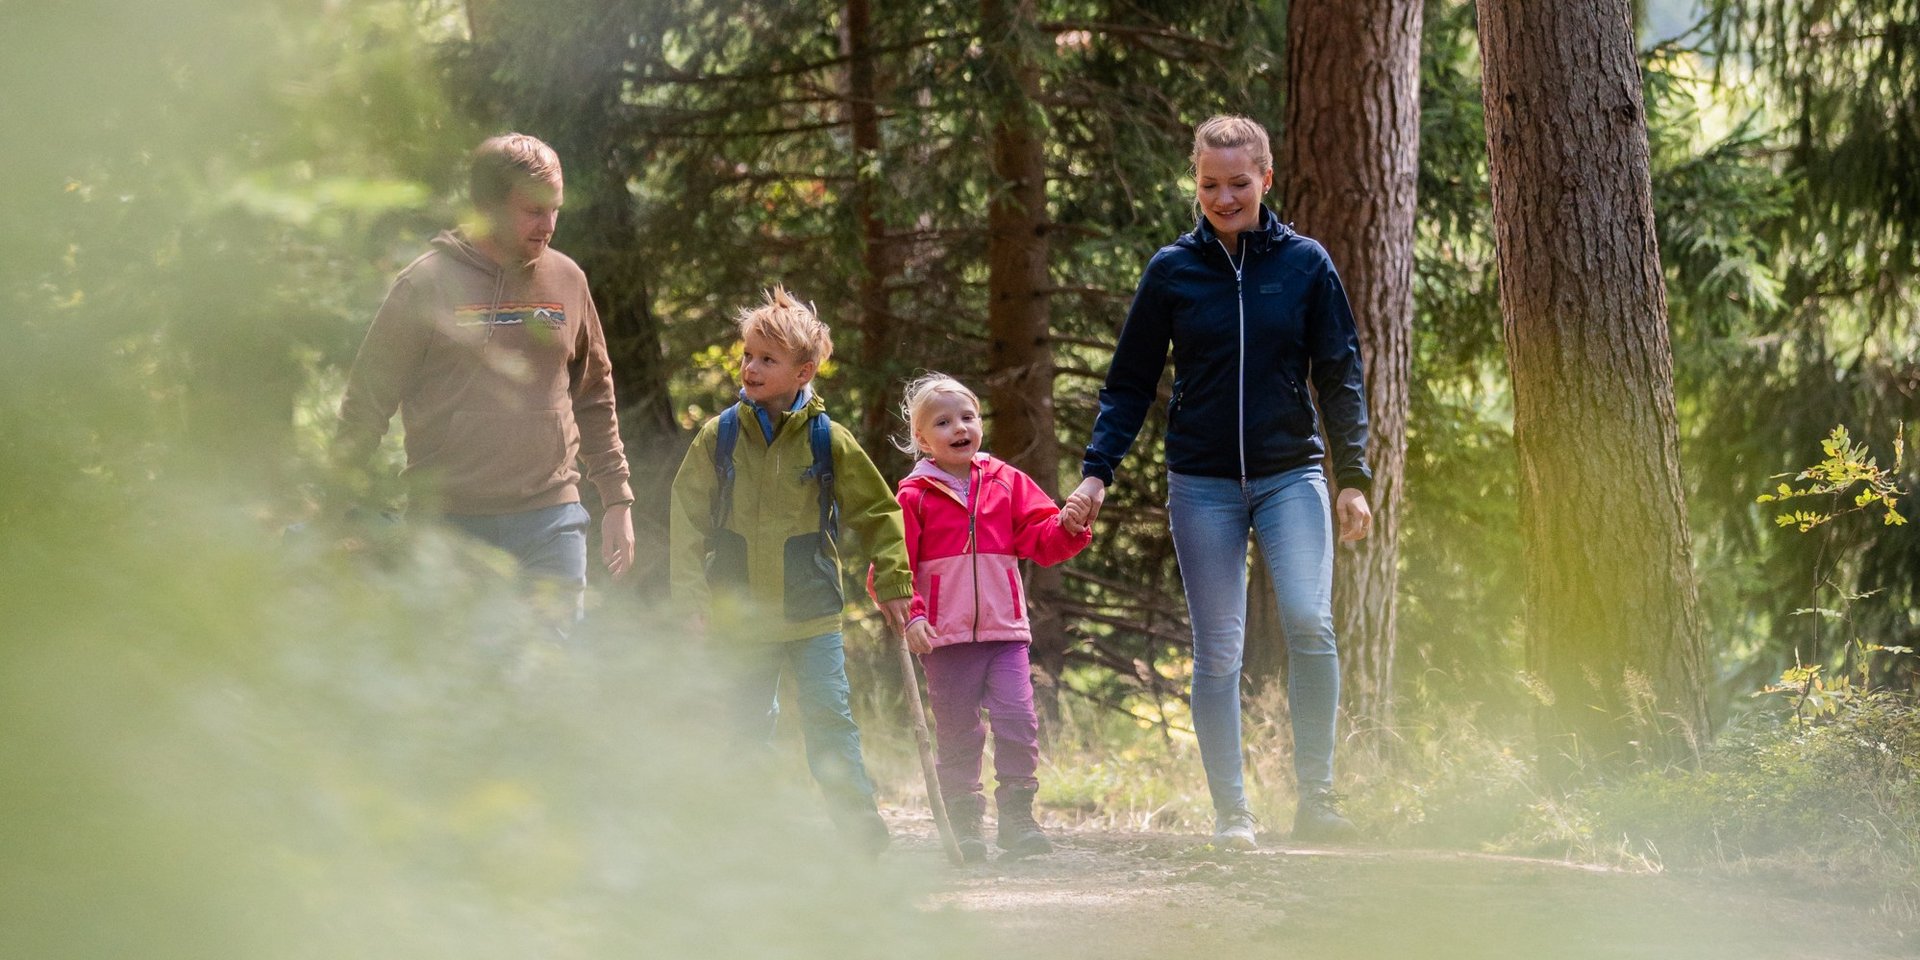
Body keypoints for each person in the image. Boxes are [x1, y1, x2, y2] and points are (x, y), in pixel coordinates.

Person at [1066, 115, 1374, 848]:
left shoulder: (1306, 264)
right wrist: (1096, 474)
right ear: (1195, 182)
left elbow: (1340, 375)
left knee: (1309, 620)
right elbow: (1129, 384)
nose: (1224, 197)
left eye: (1239, 183)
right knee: (1219, 650)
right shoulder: (1173, 271)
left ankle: (1318, 799)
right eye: (1210, 184)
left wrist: (1353, 476)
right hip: (1201, 483)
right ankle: (1233, 813)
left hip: (1290, 474)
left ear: (1267, 179)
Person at [334, 133, 635, 628]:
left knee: (551, 681)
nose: (549, 225)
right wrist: (337, 499)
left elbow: (594, 395)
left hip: (551, 522)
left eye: (555, 208)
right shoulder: (425, 285)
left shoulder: (568, 280)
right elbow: (368, 401)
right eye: (533, 211)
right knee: (461, 688)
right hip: (450, 527)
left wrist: (617, 498)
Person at [668, 287, 914, 855]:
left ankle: (861, 837)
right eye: (748, 355)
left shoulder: (830, 440)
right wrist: (691, 600)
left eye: (766, 359)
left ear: (803, 372)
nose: (750, 367)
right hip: (742, 614)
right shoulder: (719, 437)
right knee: (745, 727)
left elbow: (878, 512)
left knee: (830, 722)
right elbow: (686, 520)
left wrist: (896, 581)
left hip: (811, 614)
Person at [889, 374, 1093, 861]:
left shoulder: (1005, 482)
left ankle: (1018, 819)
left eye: (968, 417)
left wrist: (1069, 523)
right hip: (945, 639)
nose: (959, 427)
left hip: (1005, 633)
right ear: (922, 439)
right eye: (943, 422)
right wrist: (913, 617)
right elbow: (894, 567)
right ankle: (966, 826)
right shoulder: (913, 497)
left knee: (1018, 719)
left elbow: (1041, 539)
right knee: (958, 733)